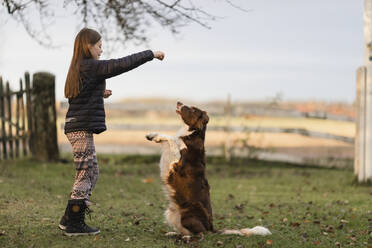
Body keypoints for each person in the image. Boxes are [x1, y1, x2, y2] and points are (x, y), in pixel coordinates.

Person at [59, 27, 165, 236]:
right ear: (87, 46)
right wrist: (150, 54)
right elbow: (120, 65)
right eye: (99, 46)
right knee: (86, 173)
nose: (101, 50)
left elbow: (79, 97)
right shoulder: (90, 66)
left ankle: (69, 217)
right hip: (80, 129)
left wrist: (100, 93)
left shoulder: (80, 68)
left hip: (78, 127)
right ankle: (74, 223)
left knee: (92, 172)